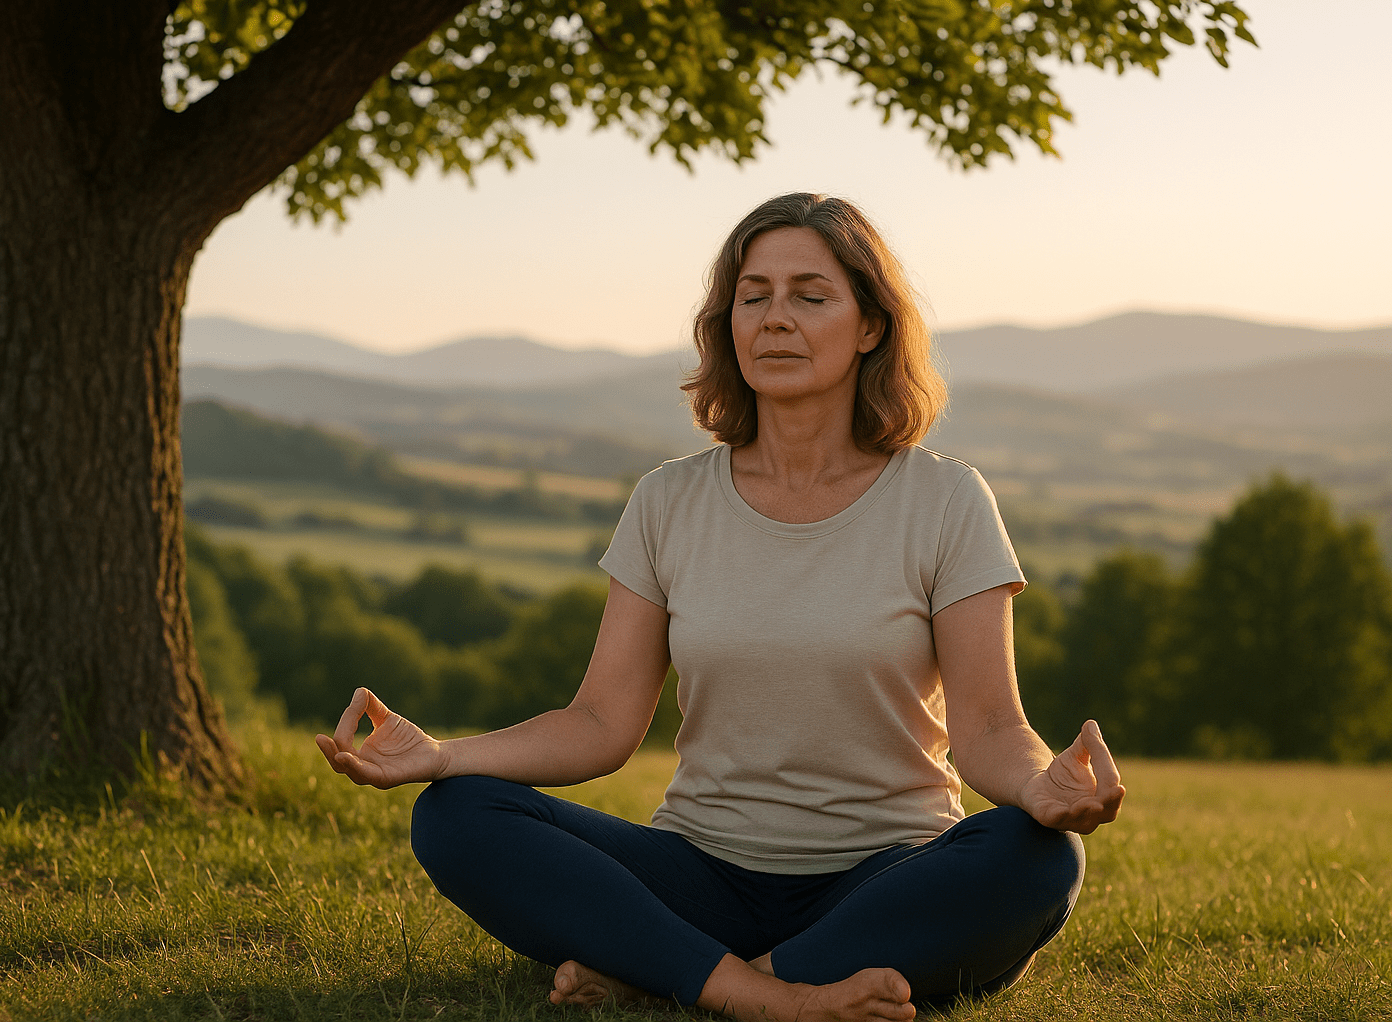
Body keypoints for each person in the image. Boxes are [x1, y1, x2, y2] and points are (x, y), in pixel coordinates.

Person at [315, 192, 1124, 1022]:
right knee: (457, 815)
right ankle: (767, 991)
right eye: (754, 296)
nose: (777, 318)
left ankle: (668, 973)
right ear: (727, 324)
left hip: (881, 874)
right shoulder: (668, 500)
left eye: (811, 295)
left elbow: (990, 729)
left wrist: (1042, 787)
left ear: (871, 325)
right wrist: (444, 755)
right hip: (695, 873)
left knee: (1037, 856)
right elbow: (600, 722)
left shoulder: (947, 499)